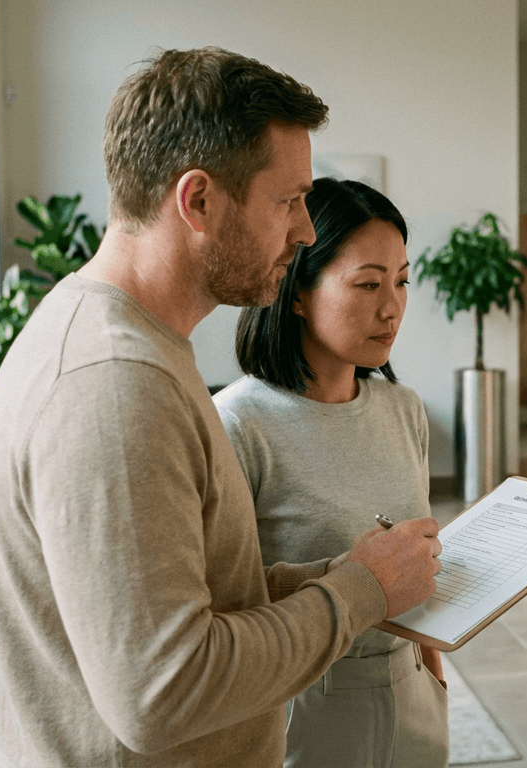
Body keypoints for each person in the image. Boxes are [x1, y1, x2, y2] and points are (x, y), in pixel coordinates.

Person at [0, 48, 442, 767]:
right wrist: (359, 592)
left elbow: (195, 596)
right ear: (198, 201)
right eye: (288, 201)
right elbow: (164, 692)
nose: (305, 231)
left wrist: (333, 577)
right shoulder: (114, 383)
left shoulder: (130, 345)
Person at [214, 177, 448, 767]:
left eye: (401, 282)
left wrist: (434, 680)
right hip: (301, 699)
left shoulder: (403, 409)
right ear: (296, 289)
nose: (391, 307)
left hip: (411, 683)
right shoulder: (238, 422)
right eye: (367, 283)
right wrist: (343, 577)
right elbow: (221, 599)